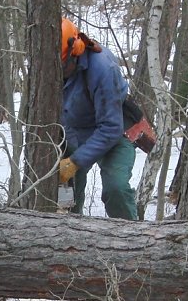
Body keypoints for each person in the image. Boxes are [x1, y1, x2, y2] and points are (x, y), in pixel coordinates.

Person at [58, 17, 137, 220]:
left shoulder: (103, 69)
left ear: (75, 50)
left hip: (115, 132)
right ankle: (68, 231)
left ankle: (129, 233)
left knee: (116, 187)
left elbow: (111, 127)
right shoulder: (51, 66)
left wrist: (75, 161)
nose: (58, 72)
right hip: (74, 132)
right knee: (65, 195)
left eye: (62, 65)